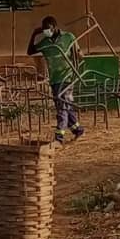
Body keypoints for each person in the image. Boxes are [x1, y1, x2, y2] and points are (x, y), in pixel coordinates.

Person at [27, 15, 84, 145]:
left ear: (54, 27)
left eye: (48, 28)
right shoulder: (45, 43)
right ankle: (77, 129)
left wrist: (79, 62)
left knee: (62, 107)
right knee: (65, 105)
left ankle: (59, 137)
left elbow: (77, 54)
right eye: (44, 29)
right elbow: (30, 51)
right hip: (54, 79)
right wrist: (34, 35)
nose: (46, 31)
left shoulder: (68, 37)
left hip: (67, 77)